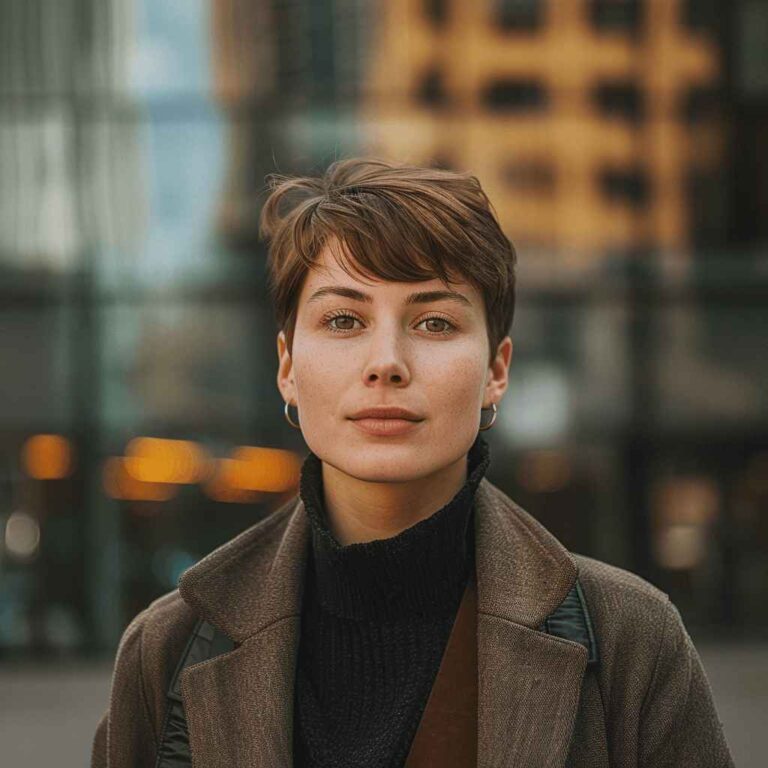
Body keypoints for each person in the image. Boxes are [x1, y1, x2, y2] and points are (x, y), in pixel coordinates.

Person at [91, 157, 734, 767]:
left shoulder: (631, 640)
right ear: (288, 367)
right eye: (343, 320)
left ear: (496, 371)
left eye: (434, 323)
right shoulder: (169, 649)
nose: (386, 362)